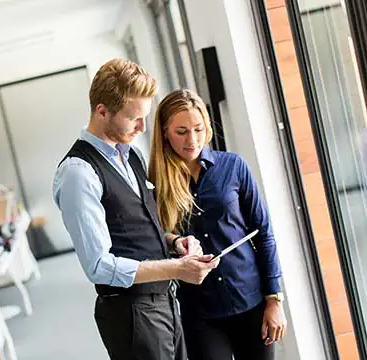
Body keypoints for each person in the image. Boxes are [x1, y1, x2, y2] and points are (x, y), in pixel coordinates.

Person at [53, 59, 219, 360]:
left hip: (164, 301)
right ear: (102, 111)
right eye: (134, 120)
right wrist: (178, 269)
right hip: (131, 314)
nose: (143, 128)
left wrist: (172, 242)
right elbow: (99, 266)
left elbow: (134, 224)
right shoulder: (79, 173)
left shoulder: (131, 156)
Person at [148, 89, 287, 360]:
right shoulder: (155, 183)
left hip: (251, 301)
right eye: (181, 131)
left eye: (198, 129)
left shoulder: (233, 167)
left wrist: (274, 299)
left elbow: (264, 233)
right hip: (200, 311)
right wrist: (175, 241)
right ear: (164, 132)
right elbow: (155, 234)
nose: (192, 140)